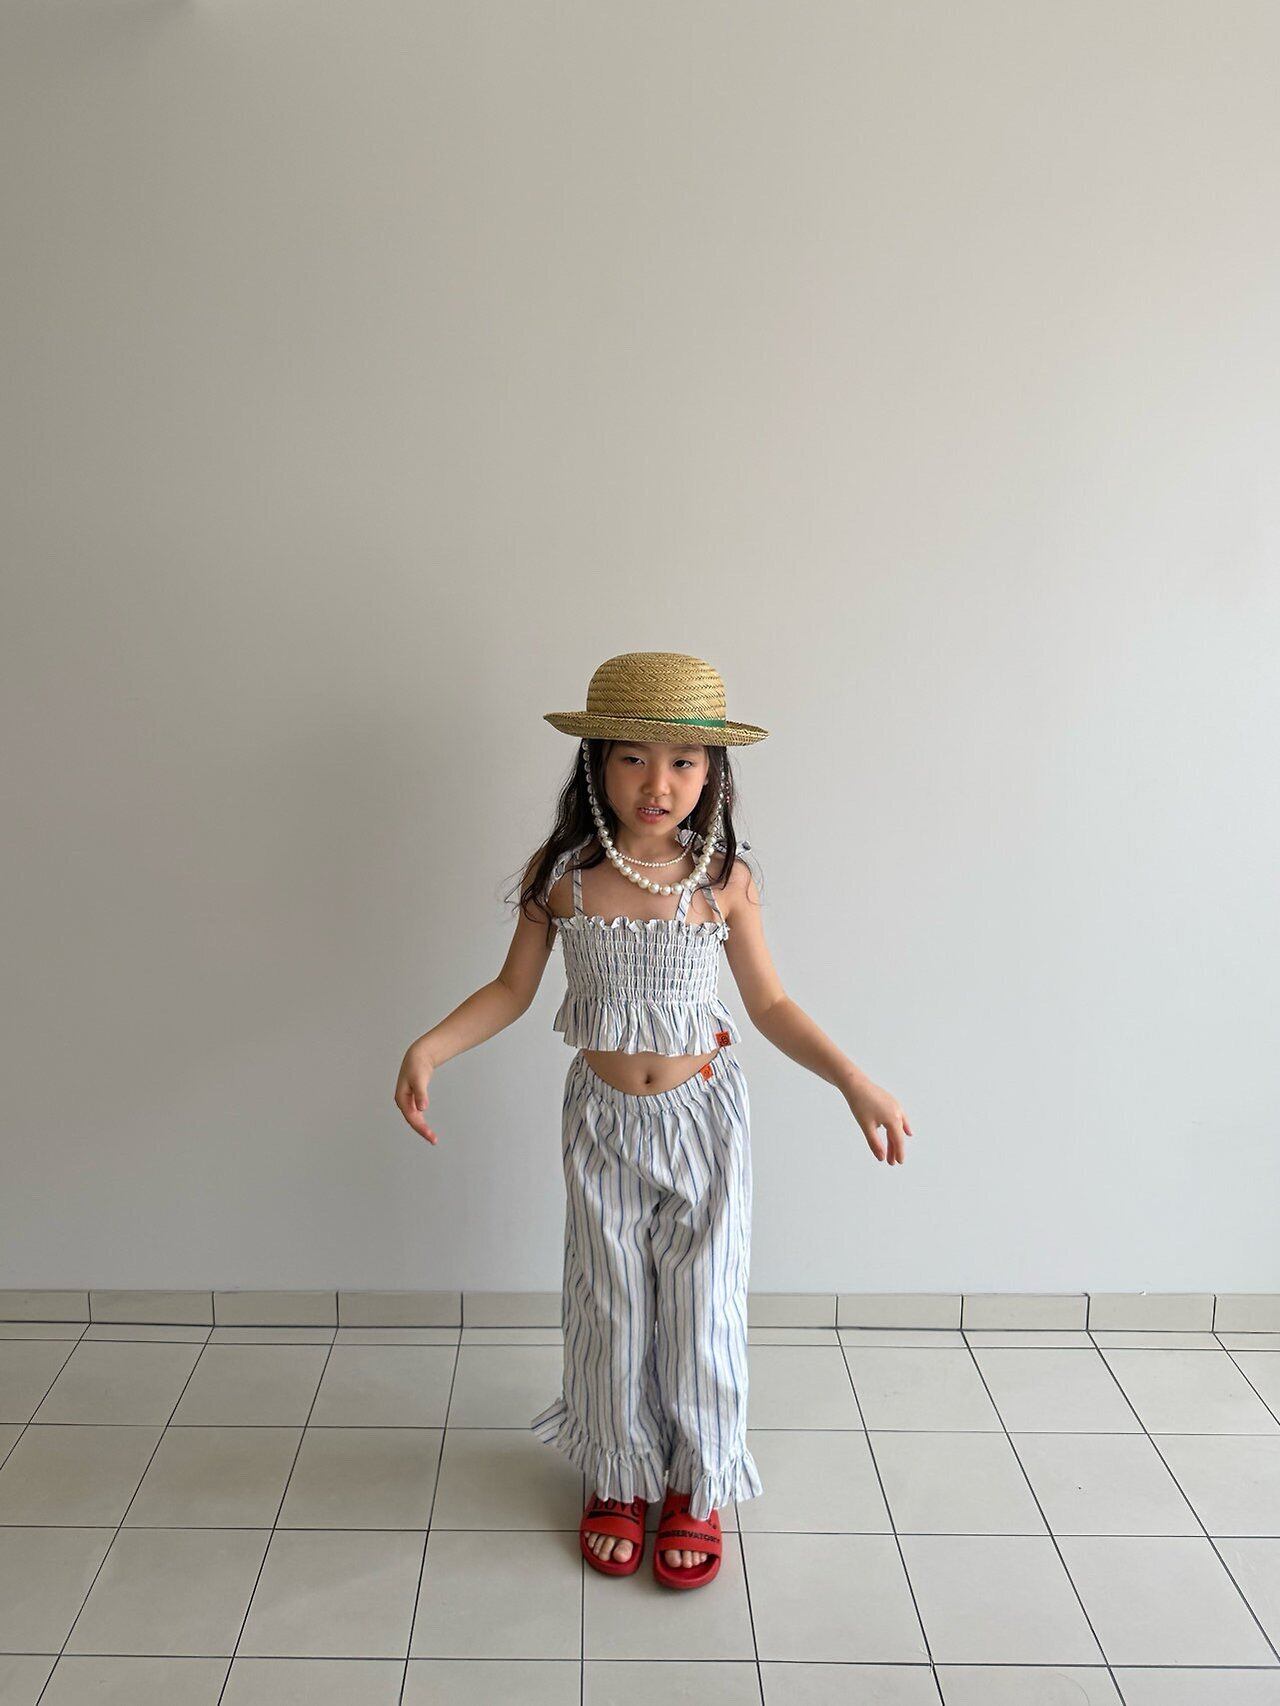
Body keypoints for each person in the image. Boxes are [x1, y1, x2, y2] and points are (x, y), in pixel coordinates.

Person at [394, 651, 913, 1591]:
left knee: (703, 1306)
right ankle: (618, 1471)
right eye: (632, 758)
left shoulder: (723, 881)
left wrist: (853, 1081)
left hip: (704, 1122)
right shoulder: (564, 879)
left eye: (682, 760)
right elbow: (511, 990)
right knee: (610, 1305)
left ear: (713, 773)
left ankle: (696, 1482)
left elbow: (770, 1005)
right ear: (596, 764)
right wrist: (429, 1048)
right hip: (602, 1125)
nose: (657, 783)